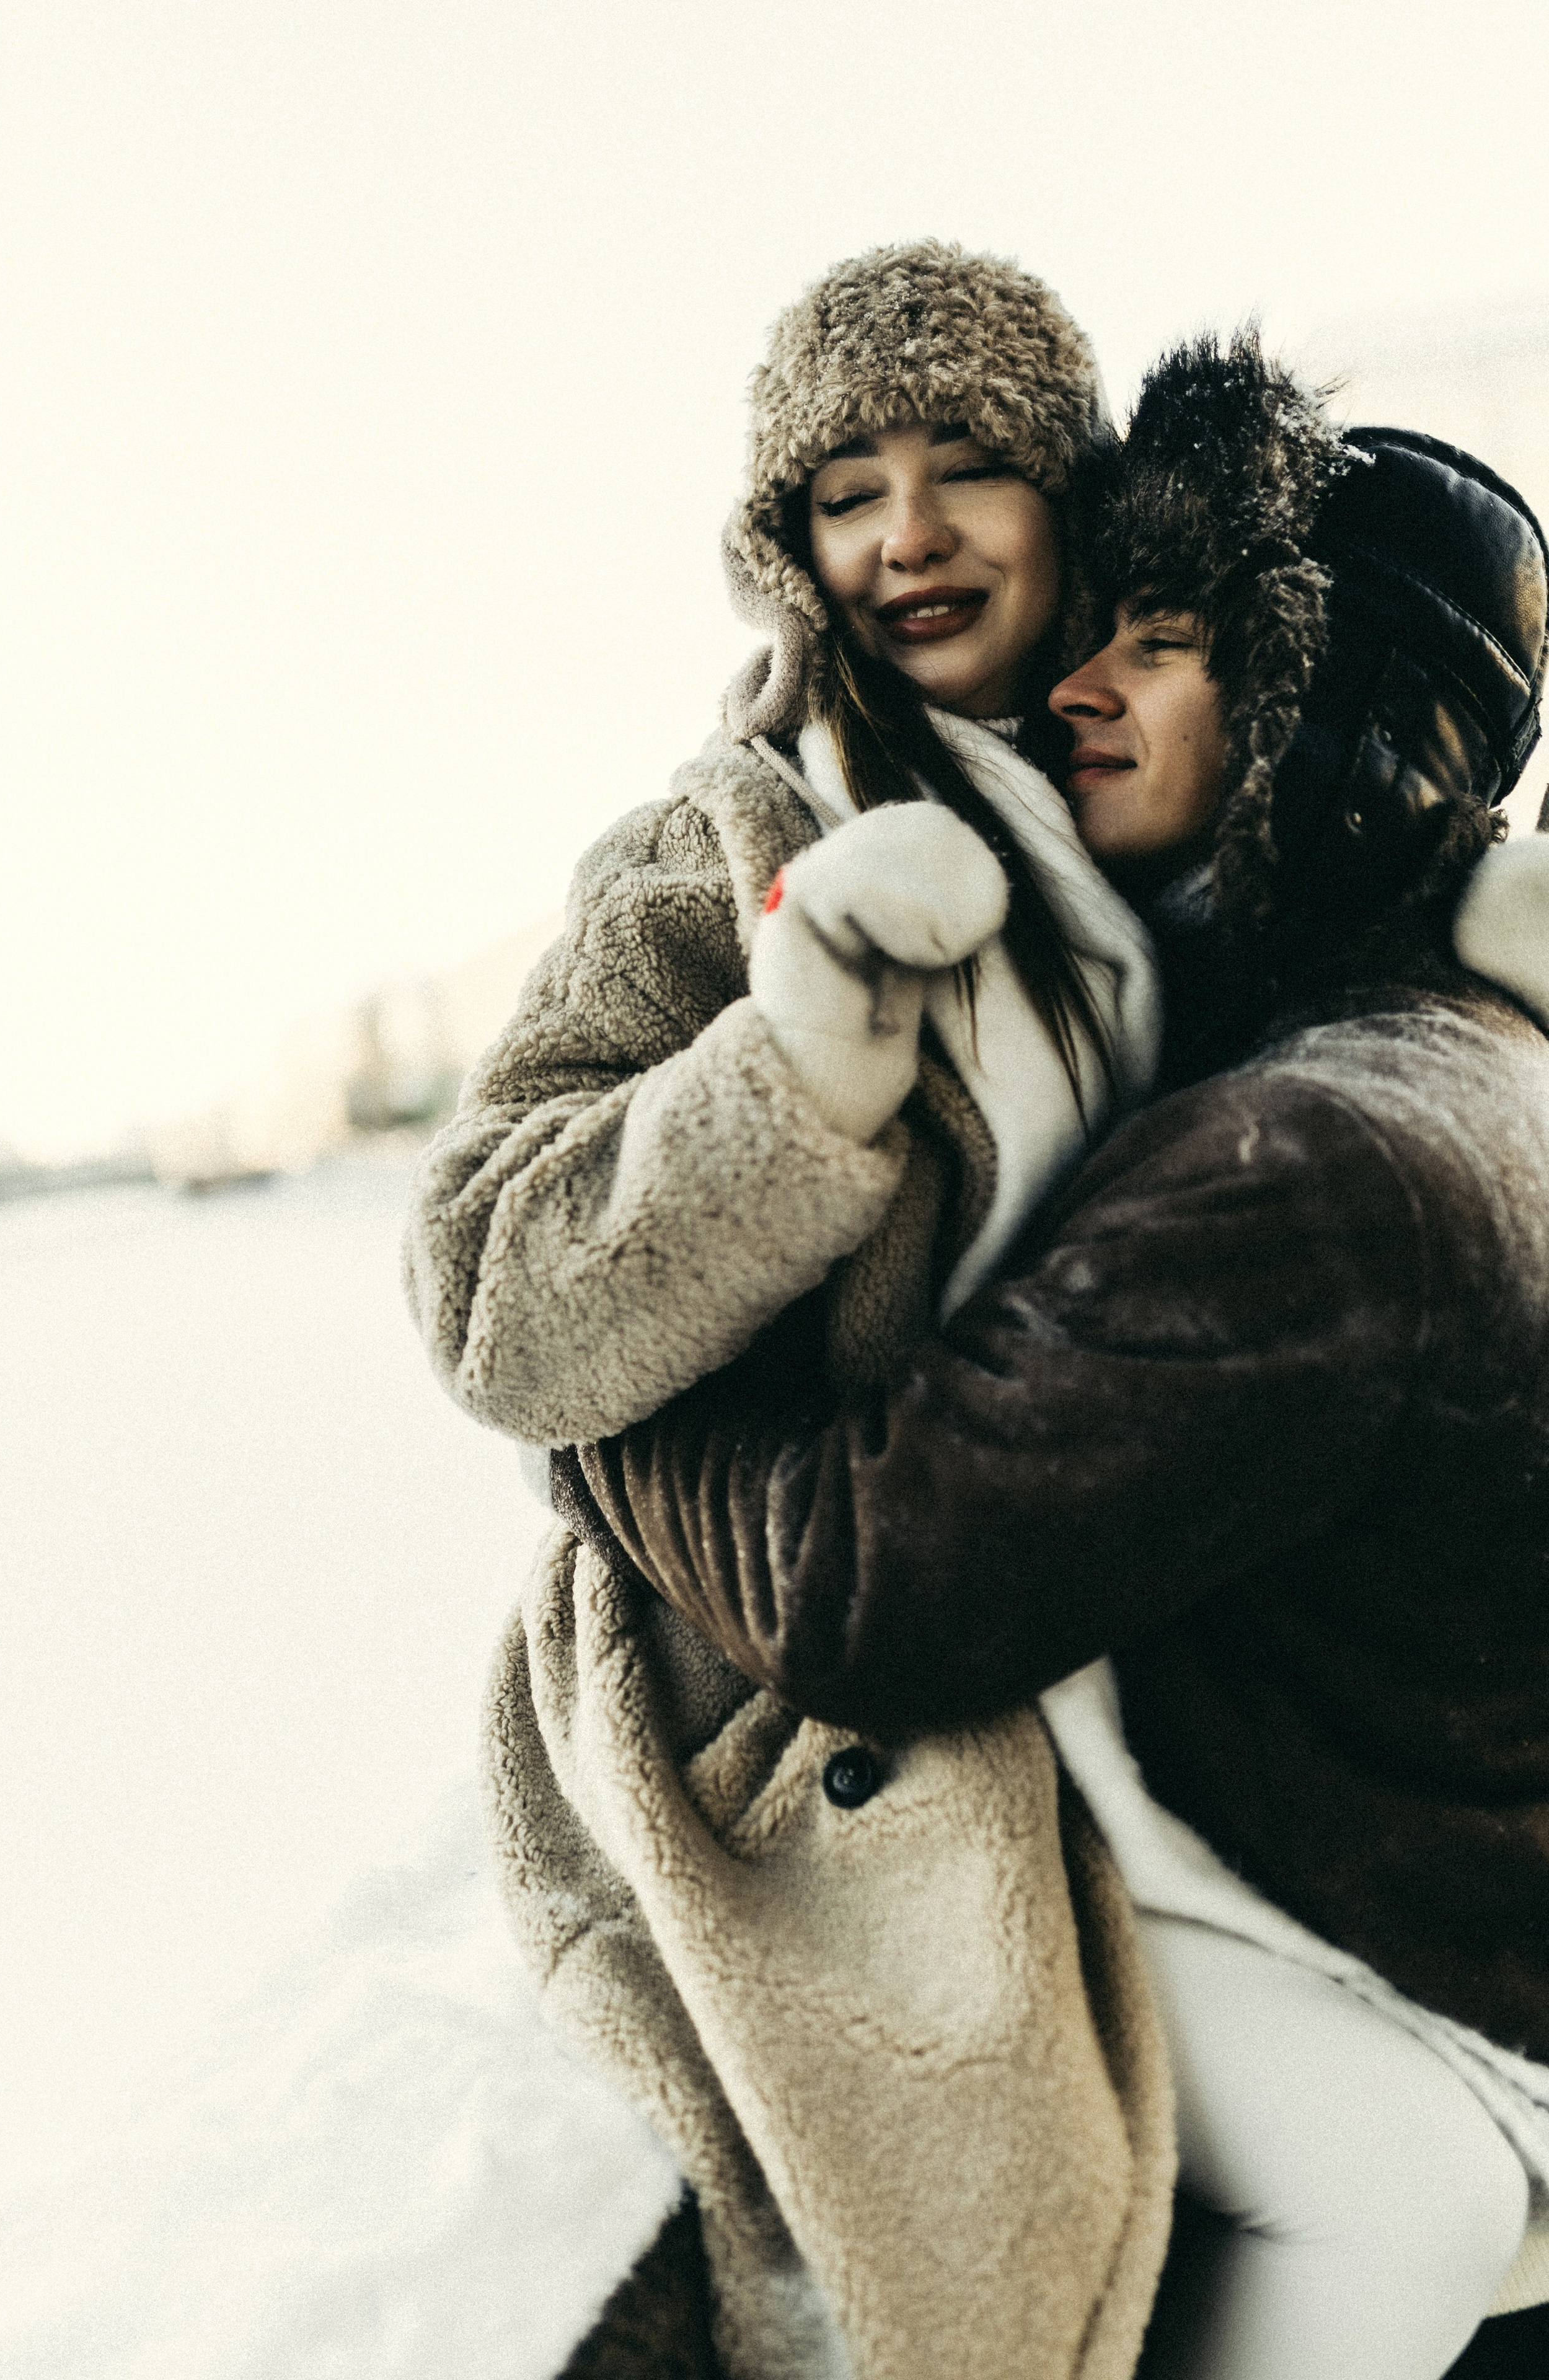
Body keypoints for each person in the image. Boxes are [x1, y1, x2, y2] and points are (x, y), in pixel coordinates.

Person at [567, 337, 1549, 2380]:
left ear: (1329, 718)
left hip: (1410, 1976)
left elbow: (867, 1587)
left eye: (1172, 644)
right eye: (1094, 630)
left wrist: (611, 1392)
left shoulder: (1309, 1157)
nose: (1077, 687)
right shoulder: (1453, 1034)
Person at [405, 242, 1179, 2380]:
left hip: (1082, 1624)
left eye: (967, 468)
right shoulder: (723, 838)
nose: (907, 533)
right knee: (966, 2247)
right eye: (846, 487)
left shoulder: (1142, 812)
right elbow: (488, 1298)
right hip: (772, 1674)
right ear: (787, 546)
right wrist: (797, 1066)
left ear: (1073, 504)